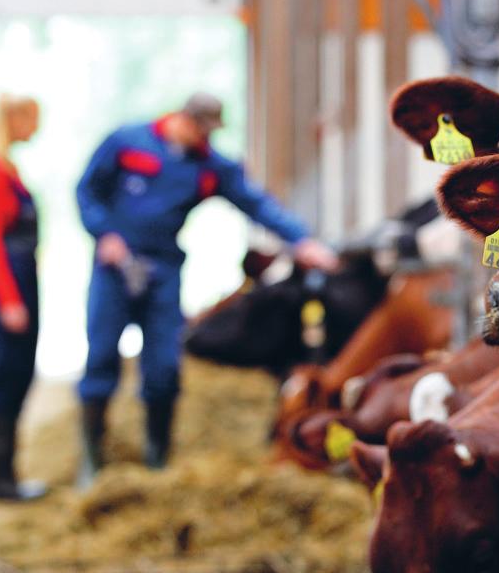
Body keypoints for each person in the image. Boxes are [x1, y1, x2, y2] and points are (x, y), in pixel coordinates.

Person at [76, 91, 338, 481]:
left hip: (163, 270)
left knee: (164, 365)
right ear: (184, 120)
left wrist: (300, 240)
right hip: (116, 267)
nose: (206, 139)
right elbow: (87, 191)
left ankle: (157, 457)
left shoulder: (211, 166)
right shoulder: (127, 142)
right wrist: (104, 234)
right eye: (202, 130)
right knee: (100, 357)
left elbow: (255, 203)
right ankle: (91, 460)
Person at [0, 95, 47, 501]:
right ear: (14, 119)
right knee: (7, 375)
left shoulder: (10, 170)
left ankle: (9, 475)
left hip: (23, 279)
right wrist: (9, 299)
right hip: (9, 283)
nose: (36, 126)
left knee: (21, 374)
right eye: (32, 119)